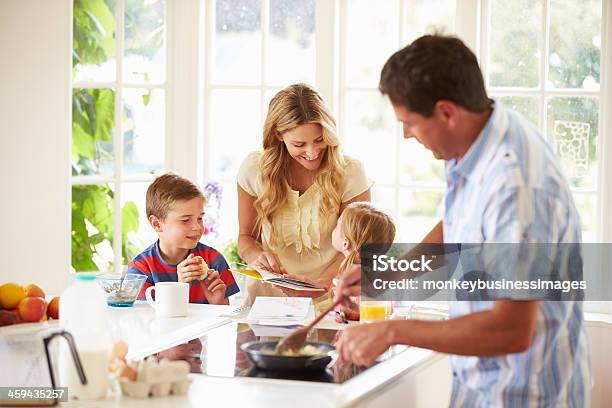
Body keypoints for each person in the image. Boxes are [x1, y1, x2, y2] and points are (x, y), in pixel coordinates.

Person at [334, 35, 591, 406]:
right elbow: (461, 225)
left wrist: (393, 331)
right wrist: (390, 273)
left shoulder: (516, 187)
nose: (406, 134)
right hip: (481, 386)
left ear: (447, 112)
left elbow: (511, 330)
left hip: (525, 394)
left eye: (410, 122)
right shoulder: (479, 136)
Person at [237, 83, 372, 308]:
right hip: (266, 302)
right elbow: (245, 238)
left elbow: (359, 247)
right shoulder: (254, 169)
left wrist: (322, 284)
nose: (312, 152)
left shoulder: (350, 173)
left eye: (319, 140)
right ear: (278, 134)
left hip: (331, 300)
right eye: (299, 144)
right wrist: (255, 256)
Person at [129, 173, 239, 305]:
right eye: (186, 220)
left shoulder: (214, 260)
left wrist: (217, 302)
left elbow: (225, 321)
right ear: (157, 224)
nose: (197, 227)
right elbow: (148, 320)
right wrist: (180, 289)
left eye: (200, 218)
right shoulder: (140, 270)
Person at [330, 202, 396, 322]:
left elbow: (356, 314)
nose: (333, 229)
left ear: (345, 243)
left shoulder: (356, 279)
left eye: (337, 226)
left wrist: (345, 315)